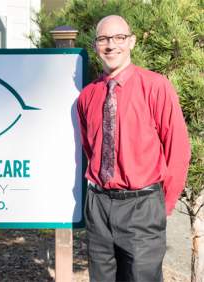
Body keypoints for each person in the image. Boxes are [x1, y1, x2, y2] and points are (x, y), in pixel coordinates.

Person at [77, 15, 190, 282]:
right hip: (98, 206)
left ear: (132, 42)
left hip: (142, 206)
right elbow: (88, 147)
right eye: (103, 39)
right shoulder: (87, 96)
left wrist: (164, 205)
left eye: (119, 38)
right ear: (95, 45)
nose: (111, 45)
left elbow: (178, 149)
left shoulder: (155, 86)